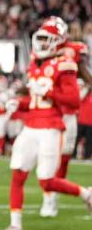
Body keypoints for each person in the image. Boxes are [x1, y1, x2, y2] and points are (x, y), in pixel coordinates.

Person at [0, 22, 92, 230]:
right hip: (31, 125)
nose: (40, 43)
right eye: (40, 38)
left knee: (46, 180)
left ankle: (86, 194)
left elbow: (74, 101)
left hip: (50, 127)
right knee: (18, 173)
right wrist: (17, 103)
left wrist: (50, 93)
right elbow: (34, 99)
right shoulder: (35, 64)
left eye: (46, 39)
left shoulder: (65, 65)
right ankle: (15, 224)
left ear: (58, 41)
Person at [40, 17, 92, 218]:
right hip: (49, 114)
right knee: (47, 160)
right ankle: (49, 198)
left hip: (68, 116)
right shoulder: (43, 53)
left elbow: (86, 75)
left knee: (62, 160)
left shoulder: (73, 52)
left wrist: (82, 85)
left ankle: (52, 198)